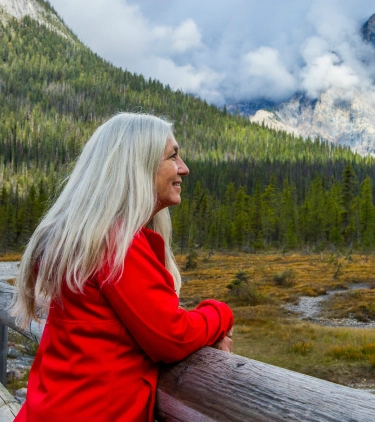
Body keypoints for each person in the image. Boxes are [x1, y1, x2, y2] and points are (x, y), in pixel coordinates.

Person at [12, 113, 234, 422]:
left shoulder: (88, 235)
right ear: (138, 166)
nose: (184, 168)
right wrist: (221, 313)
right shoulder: (117, 243)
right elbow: (172, 337)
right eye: (172, 156)